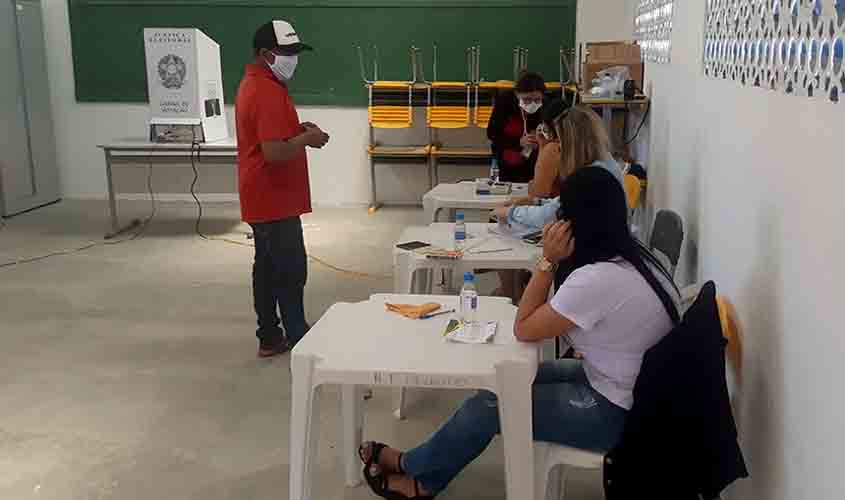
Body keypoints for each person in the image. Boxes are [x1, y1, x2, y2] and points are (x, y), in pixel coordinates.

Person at [358, 167, 680, 500]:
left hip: (621, 413)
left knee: (488, 407)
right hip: (634, 389)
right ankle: (418, 466)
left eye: (561, 213)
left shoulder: (597, 280)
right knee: (504, 381)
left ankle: (417, 478)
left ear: (572, 223)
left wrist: (548, 260)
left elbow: (524, 328)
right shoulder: (634, 255)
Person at [235, 20, 330, 358]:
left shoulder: (257, 84)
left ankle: (270, 335)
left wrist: (296, 129)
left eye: (296, 51)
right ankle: (299, 337)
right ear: (265, 53)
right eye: (286, 52)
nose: (293, 59)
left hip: (262, 195)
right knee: (290, 270)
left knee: (267, 267)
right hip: (273, 196)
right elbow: (275, 153)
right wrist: (308, 138)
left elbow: (270, 136)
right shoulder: (266, 91)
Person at [493, 105, 623, 231]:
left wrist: (511, 212)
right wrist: (537, 202)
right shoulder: (603, 161)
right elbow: (563, 203)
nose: (558, 147)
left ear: (573, 143)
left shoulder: (590, 176)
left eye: (561, 142)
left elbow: (549, 215)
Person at [487, 72, 547, 183]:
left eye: (537, 100)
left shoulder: (546, 104)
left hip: (535, 158)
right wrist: (519, 142)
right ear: (517, 94)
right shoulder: (504, 102)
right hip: (508, 157)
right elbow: (492, 134)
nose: (532, 104)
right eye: (527, 99)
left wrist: (540, 140)